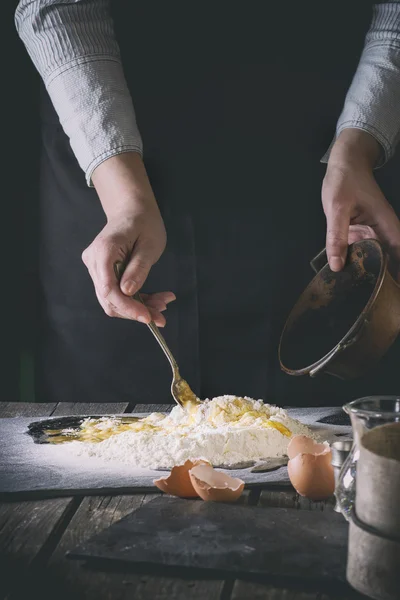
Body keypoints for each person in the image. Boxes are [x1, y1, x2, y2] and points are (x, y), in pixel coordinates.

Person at [15, 1, 400, 406]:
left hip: (331, 155)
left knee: (338, 435)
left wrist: (359, 147)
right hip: (113, 157)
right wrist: (125, 197)